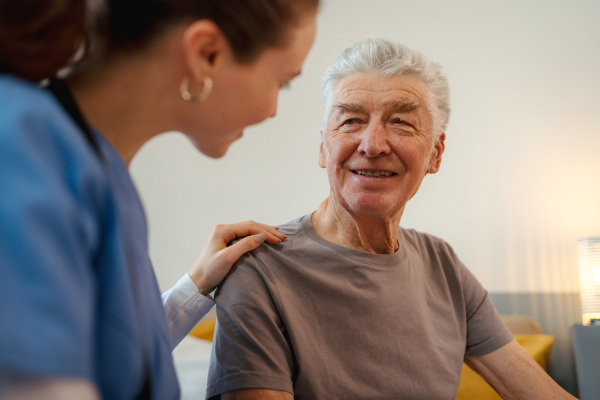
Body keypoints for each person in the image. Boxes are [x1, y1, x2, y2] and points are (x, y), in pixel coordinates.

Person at [206, 38, 577, 399]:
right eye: (351, 120)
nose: (372, 144)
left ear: (435, 153)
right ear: (324, 146)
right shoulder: (257, 270)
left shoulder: (442, 265)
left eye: (401, 122)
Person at [0, 0, 318, 399]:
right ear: (207, 53)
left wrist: (195, 287)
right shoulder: (19, 152)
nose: (273, 110)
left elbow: (112, 364)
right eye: (282, 81)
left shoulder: (103, 175)